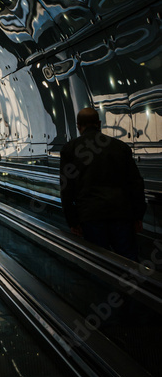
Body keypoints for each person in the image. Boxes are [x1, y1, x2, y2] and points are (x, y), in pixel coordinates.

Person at [59, 107, 146, 261]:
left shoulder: (70, 150)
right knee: (128, 261)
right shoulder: (120, 147)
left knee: (99, 262)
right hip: (121, 214)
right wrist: (138, 216)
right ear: (99, 124)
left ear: (79, 126)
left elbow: (66, 189)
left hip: (90, 216)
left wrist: (72, 220)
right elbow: (136, 183)